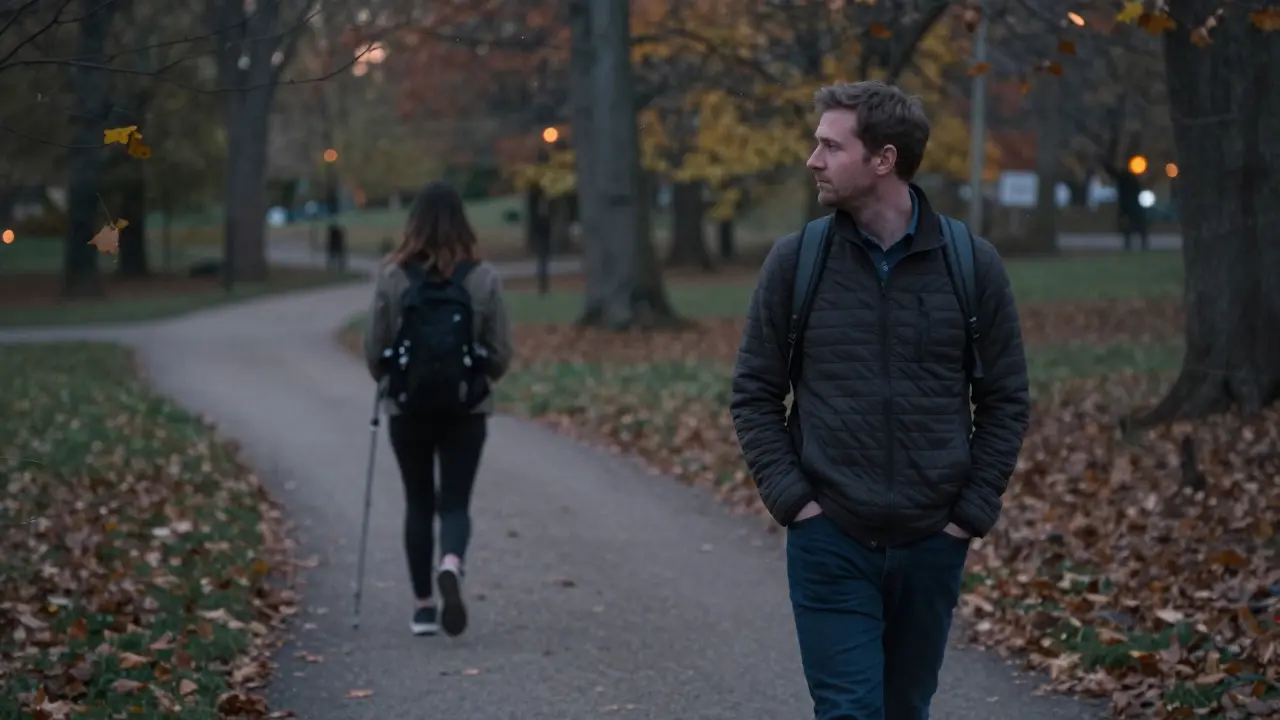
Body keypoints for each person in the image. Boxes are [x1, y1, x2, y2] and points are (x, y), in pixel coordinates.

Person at [729, 80, 1031, 719]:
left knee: (904, 710)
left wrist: (968, 514)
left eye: (830, 146)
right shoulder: (796, 262)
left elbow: (1004, 398)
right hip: (830, 537)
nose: (814, 160)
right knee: (848, 712)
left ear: (883, 159)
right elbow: (755, 392)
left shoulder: (970, 264)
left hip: (933, 541)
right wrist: (795, 502)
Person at [362, 181, 514, 638]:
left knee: (417, 501)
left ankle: (423, 607)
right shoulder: (483, 277)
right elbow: (501, 351)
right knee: (455, 502)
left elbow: (374, 348)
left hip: (407, 409)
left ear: (413, 223)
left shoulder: (392, 276)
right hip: (466, 408)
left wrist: (392, 381)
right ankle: (451, 562)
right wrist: (480, 379)